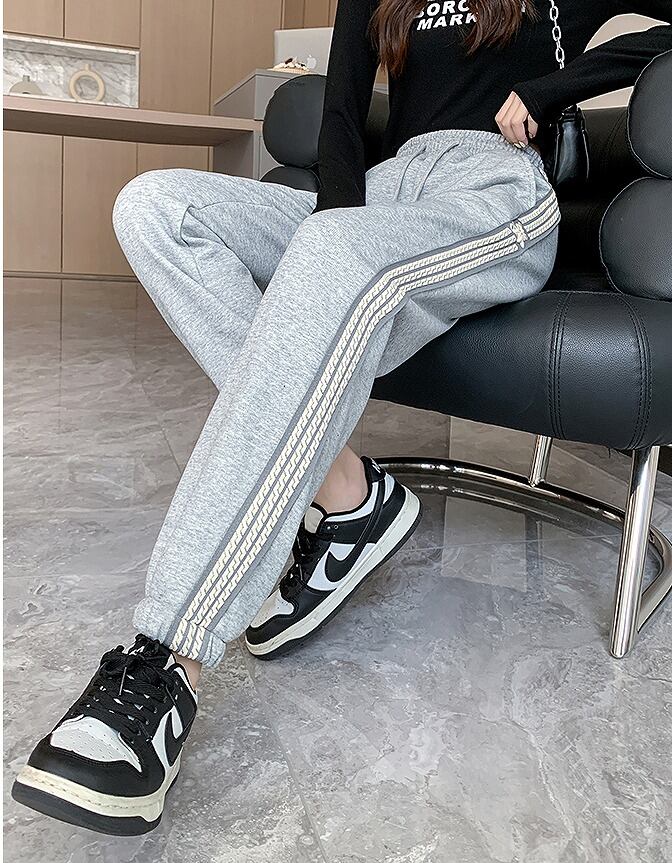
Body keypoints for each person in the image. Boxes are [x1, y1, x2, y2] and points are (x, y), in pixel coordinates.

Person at [12, 0, 671, 836]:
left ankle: (167, 658)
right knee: (156, 207)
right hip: (384, 192)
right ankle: (349, 491)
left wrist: (554, 88)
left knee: (327, 252)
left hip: (495, 190)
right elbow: (341, 116)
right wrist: (336, 230)